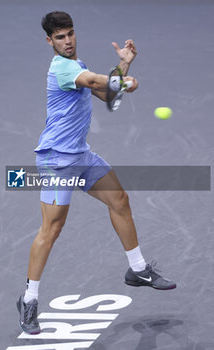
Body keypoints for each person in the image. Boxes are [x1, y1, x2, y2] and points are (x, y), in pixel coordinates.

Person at [17, 11, 176, 335]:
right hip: (56, 160)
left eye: (70, 34)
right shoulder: (62, 67)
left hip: (80, 154)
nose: (68, 40)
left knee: (119, 199)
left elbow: (105, 93)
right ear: (50, 41)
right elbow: (95, 82)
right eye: (60, 37)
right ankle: (29, 299)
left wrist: (124, 66)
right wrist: (122, 81)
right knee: (52, 228)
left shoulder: (77, 64)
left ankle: (138, 269)